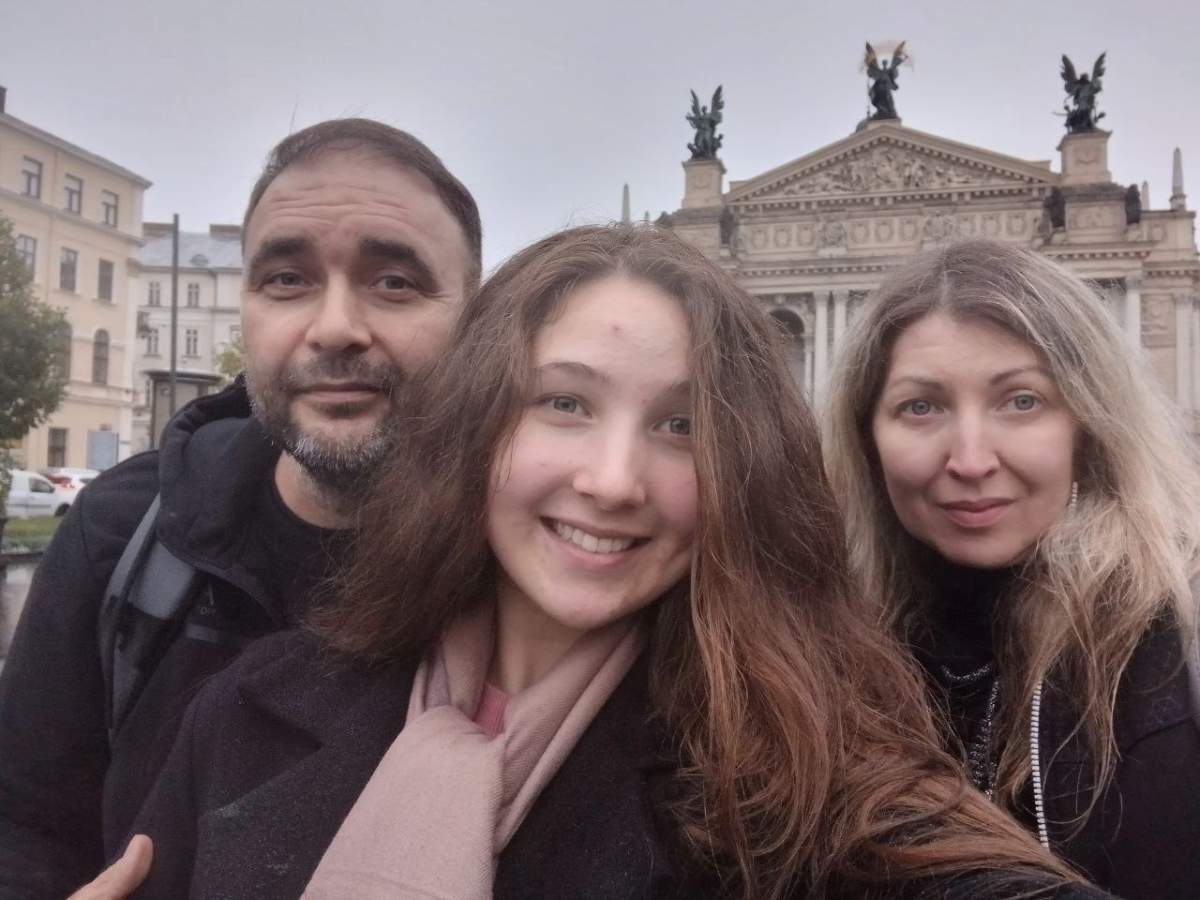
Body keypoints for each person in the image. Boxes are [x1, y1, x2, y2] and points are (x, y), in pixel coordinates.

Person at [91, 225, 1108, 899]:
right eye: (565, 403)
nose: (614, 480)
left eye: (680, 425)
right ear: (477, 427)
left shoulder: (801, 773)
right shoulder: (248, 712)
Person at [0, 118, 482, 899]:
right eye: (286, 280)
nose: (335, 329)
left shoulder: (535, 564)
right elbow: (24, 821)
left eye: (394, 282)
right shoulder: (126, 533)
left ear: (476, 324)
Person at [824, 238, 1200, 899]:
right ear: (866, 438)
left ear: (1090, 421)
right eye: (921, 406)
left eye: (1021, 401)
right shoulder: (828, 660)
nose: (970, 460)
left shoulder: (1181, 633)